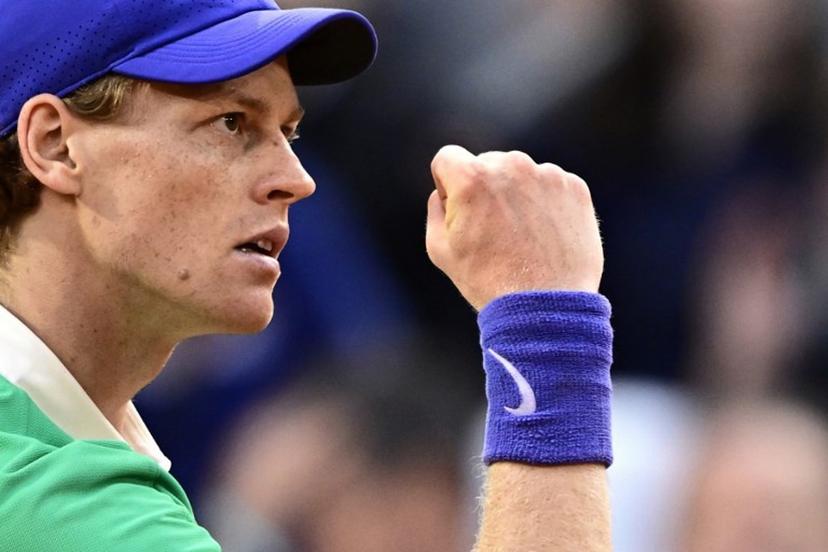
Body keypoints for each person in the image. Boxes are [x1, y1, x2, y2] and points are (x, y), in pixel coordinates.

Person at [0, 1, 614, 550]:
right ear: (55, 145)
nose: (297, 180)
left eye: (289, 132)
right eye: (233, 123)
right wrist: (546, 329)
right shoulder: (45, 496)